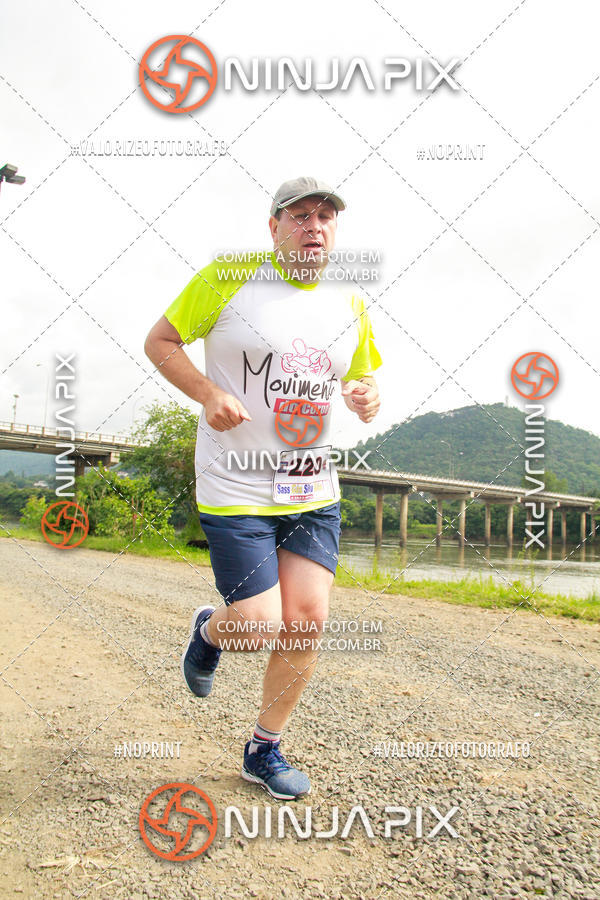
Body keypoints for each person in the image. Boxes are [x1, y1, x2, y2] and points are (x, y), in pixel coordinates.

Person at [145, 176, 381, 800]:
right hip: (235, 484)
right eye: (299, 215)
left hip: (310, 487)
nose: (314, 226)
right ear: (272, 227)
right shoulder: (228, 277)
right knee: (253, 624)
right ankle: (209, 630)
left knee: (306, 623)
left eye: (325, 216)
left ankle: (264, 749)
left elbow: (364, 381)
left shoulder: (349, 302)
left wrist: (365, 396)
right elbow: (160, 342)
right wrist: (208, 392)